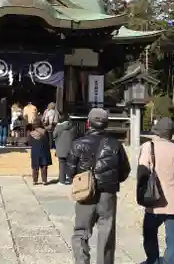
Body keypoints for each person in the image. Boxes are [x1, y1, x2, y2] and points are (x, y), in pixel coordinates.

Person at [67, 108, 131, 264]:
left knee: (81, 232)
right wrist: (110, 180)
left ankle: (82, 261)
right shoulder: (116, 144)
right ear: (106, 124)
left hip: (85, 193)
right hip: (107, 194)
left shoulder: (77, 144)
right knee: (106, 234)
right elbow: (125, 170)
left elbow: (70, 171)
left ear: (88, 123)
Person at [139, 117, 174, 264]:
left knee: (149, 234)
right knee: (173, 239)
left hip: (154, 198)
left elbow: (142, 172)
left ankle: (153, 260)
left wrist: (140, 194)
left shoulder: (148, 147)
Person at [53, 112, 77, 185]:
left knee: (62, 164)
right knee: (70, 164)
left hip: (61, 148)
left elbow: (54, 135)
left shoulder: (58, 127)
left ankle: (62, 180)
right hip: (71, 148)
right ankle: (70, 179)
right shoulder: (73, 126)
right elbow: (75, 136)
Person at [29, 117, 52, 185]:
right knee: (44, 166)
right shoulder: (45, 131)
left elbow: (30, 143)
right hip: (43, 150)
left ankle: (35, 180)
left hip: (35, 151)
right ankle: (44, 180)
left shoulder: (31, 133)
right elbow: (48, 141)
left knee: (35, 166)